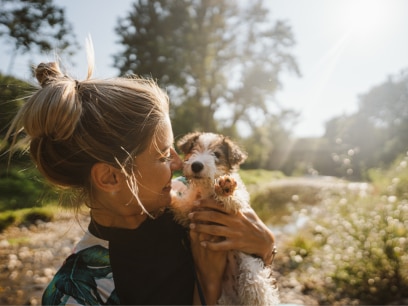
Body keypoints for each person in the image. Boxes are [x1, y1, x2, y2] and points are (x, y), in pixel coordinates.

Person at [6, 56, 277, 305]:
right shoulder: (77, 293)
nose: (178, 163)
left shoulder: (185, 200)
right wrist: (207, 280)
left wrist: (265, 247)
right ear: (110, 177)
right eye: (161, 155)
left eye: (173, 150)